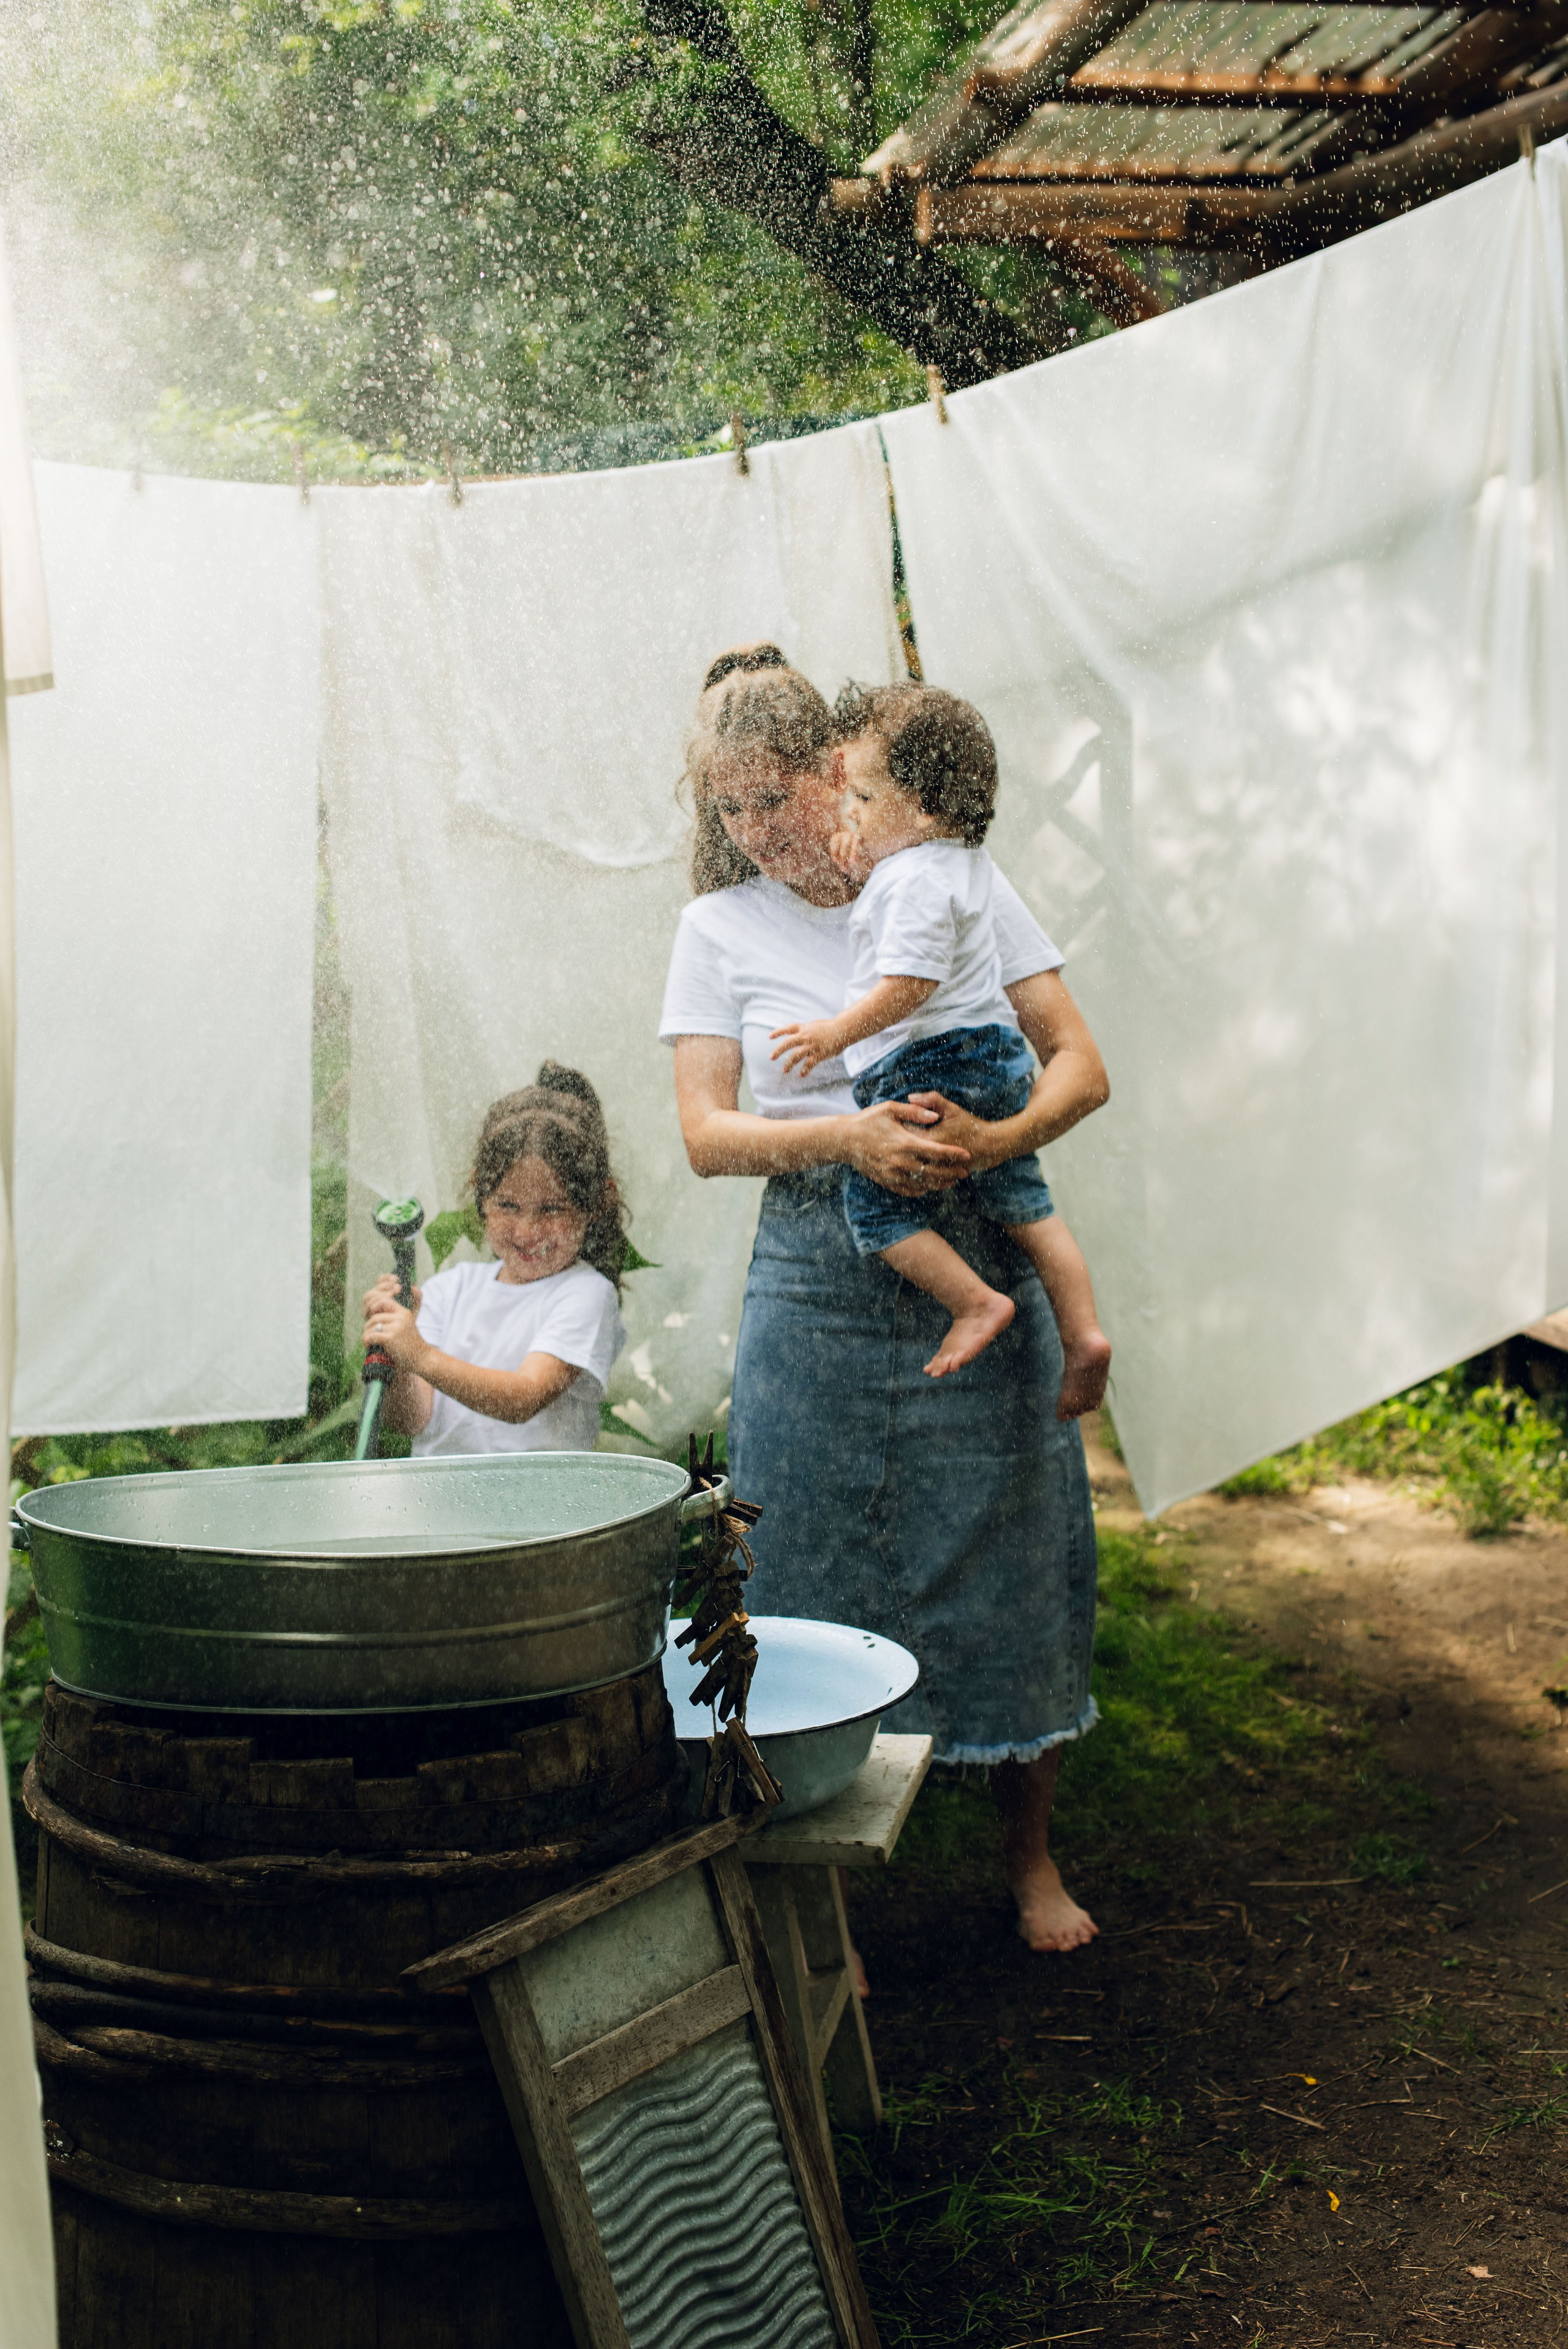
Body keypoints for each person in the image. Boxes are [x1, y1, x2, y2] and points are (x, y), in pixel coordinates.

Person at [660, 650, 1109, 1956]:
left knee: (1018, 1545)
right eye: (729, 811)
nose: (759, 831)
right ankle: (820, 1909)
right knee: (802, 1569)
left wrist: (993, 1136)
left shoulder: (947, 883)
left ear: (834, 772)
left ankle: (1026, 1857)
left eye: (777, 797)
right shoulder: (719, 927)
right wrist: (846, 1144)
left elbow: (1077, 1063)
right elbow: (702, 1133)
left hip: (974, 1242)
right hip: (812, 1273)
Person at [771, 682, 1110, 1406]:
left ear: (921, 808)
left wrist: (837, 1033)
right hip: (994, 1059)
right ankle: (1083, 1333)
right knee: (1028, 1207)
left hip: (929, 1061)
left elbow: (908, 983)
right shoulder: (958, 866)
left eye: (861, 797)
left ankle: (973, 1301)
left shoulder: (915, 880)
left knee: (878, 1206)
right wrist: (867, 863)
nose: (849, 811)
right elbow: (915, 908)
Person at [360, 1062, 628, 1454]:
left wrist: (422, 1354)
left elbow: (523, 1399)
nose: (526, 1230)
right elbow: (410, 1420)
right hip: (439, 1509)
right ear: (480, 1194)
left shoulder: (585, 1294)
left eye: (551, 1209)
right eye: (507, 1205)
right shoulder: (449, 1290)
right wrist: (400, 1358)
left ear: (596, 1203)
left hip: (541, 1513)